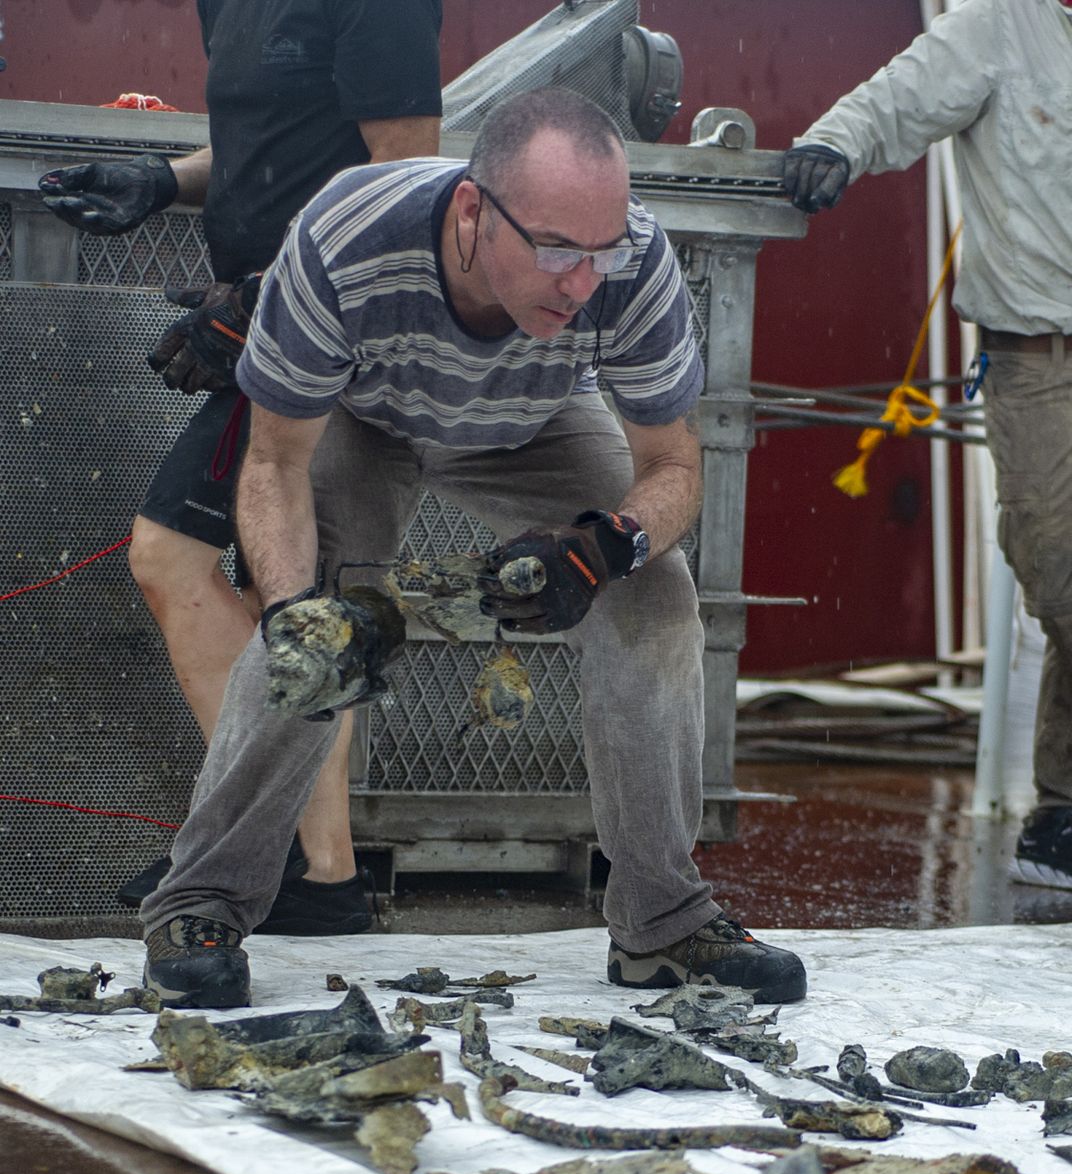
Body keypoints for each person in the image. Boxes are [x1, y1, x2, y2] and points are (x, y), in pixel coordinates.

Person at [136, 86, 808, 1011]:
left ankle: (663, 921)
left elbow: (672, 462)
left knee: (657, 598)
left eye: (599, 255)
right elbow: (275, 464)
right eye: (558, 253)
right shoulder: (346, 239)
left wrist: (607, 547)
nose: (582, 283)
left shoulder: (633, 265)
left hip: (534, 421)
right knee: (311, 639)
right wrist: (294, 612)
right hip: (362, 416)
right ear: (469, 212)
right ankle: (202, 902)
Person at [38, 0, 444, 933]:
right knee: (284, 597)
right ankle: (325, 874)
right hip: (267, 321)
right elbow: (284, 146)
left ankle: (258, 841)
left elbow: (403, 177)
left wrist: (267, 295)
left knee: (169, 556)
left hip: (327, 330)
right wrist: (159, 181)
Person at [783, 0, 1072, 891]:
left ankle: (1060, 810)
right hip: (1040, 358)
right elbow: (898, 98)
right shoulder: (997, 27)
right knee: (1060, 564)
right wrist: (832, 143)